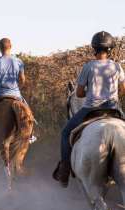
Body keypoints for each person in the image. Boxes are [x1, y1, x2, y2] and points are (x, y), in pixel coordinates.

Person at [53, 31, 125, 188]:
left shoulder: (88, 67)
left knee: (65, 133)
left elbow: (78, 93)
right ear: (110, 49)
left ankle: (64, 170)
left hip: (91, 110)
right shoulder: (116, 66)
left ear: (94, 48)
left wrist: (91, 92)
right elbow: (123, 89)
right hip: (113, 109)